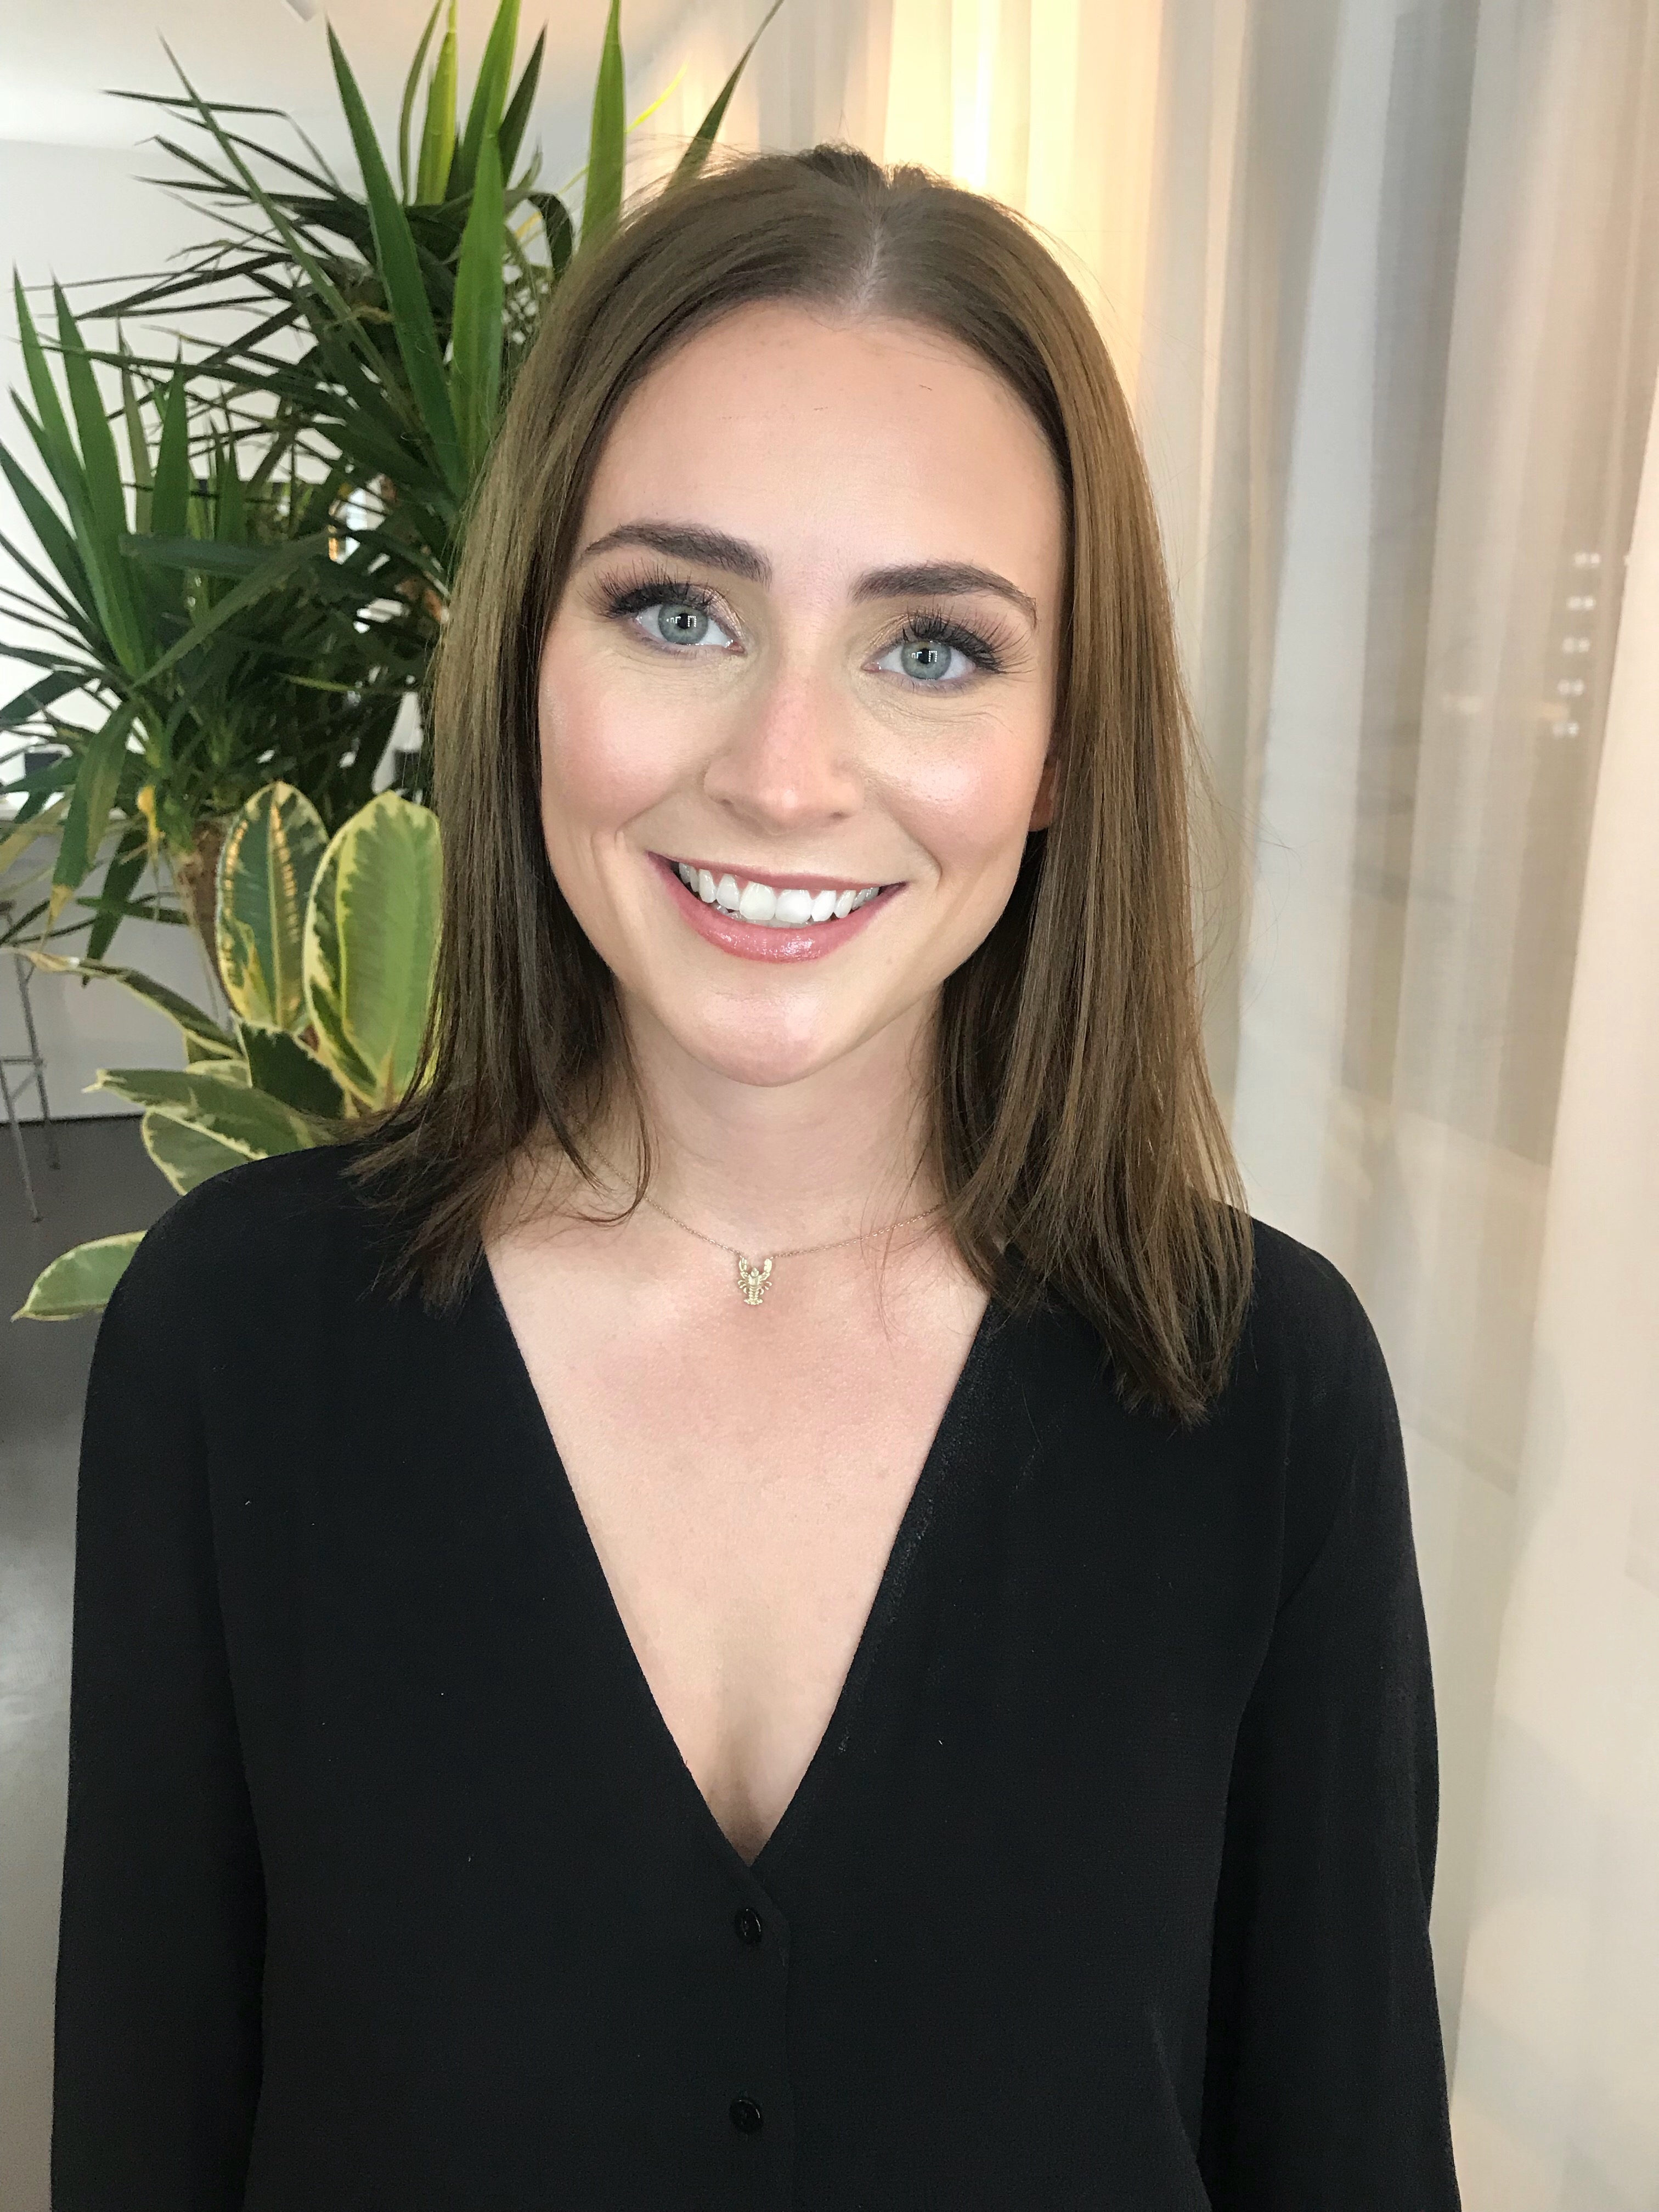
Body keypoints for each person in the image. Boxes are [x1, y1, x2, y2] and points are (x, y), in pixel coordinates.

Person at [50, 142, 1463, 2209]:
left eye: (934, 647)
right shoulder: (238, 1342)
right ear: (528, 660)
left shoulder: (1257, 1385)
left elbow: (1349, 2153)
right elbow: (145, 2129)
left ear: (1060, 746)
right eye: (678, 610)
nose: (784, 774)